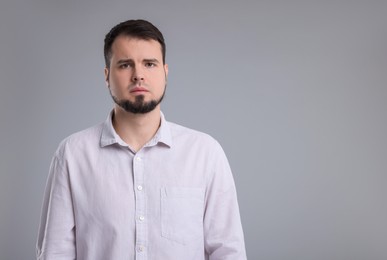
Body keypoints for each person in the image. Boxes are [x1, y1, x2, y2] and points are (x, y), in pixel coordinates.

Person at [36, 19, 247, 260]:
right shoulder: (72, 155)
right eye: (125, 65)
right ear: (107, 75)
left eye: (149, 64)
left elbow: (228, 252)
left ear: (165, 73)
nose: (138, 75)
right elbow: (54, 253)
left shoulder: (205, 153)